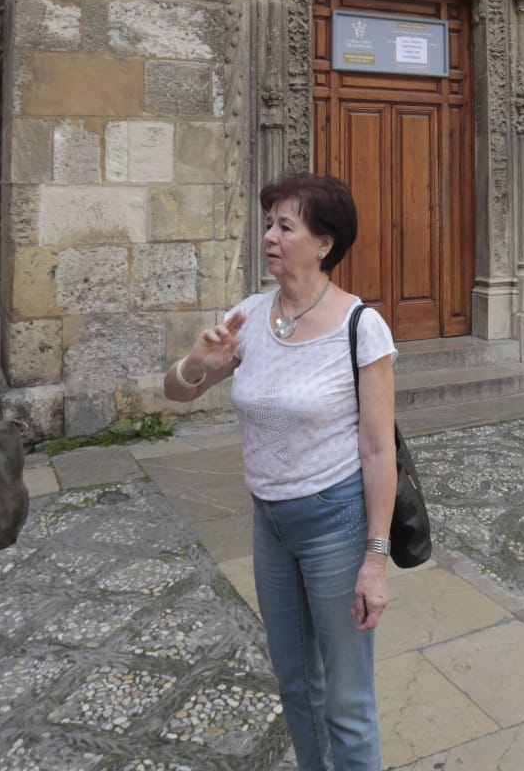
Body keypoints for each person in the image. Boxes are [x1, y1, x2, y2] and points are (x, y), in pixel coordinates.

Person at [164, 173, 397, 770]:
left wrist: (375, 559)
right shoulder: (247, 316)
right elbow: (178, 394)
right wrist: (196, 363)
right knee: (295, 684)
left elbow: (377, 451)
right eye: (269, 223)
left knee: (346, 698)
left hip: (335, 524)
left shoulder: (359, 326)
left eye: (285, 226)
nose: (270, 236)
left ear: (324, 243)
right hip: (269, 523)